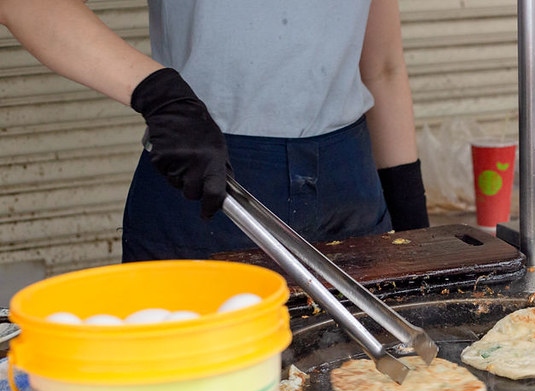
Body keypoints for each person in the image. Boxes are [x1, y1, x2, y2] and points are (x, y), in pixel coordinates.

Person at [0, 0, 429, 262]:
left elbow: (382, 68)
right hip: (207, 179)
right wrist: (159, 94)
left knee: (378, 390)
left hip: (350, 184)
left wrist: (418, 236)